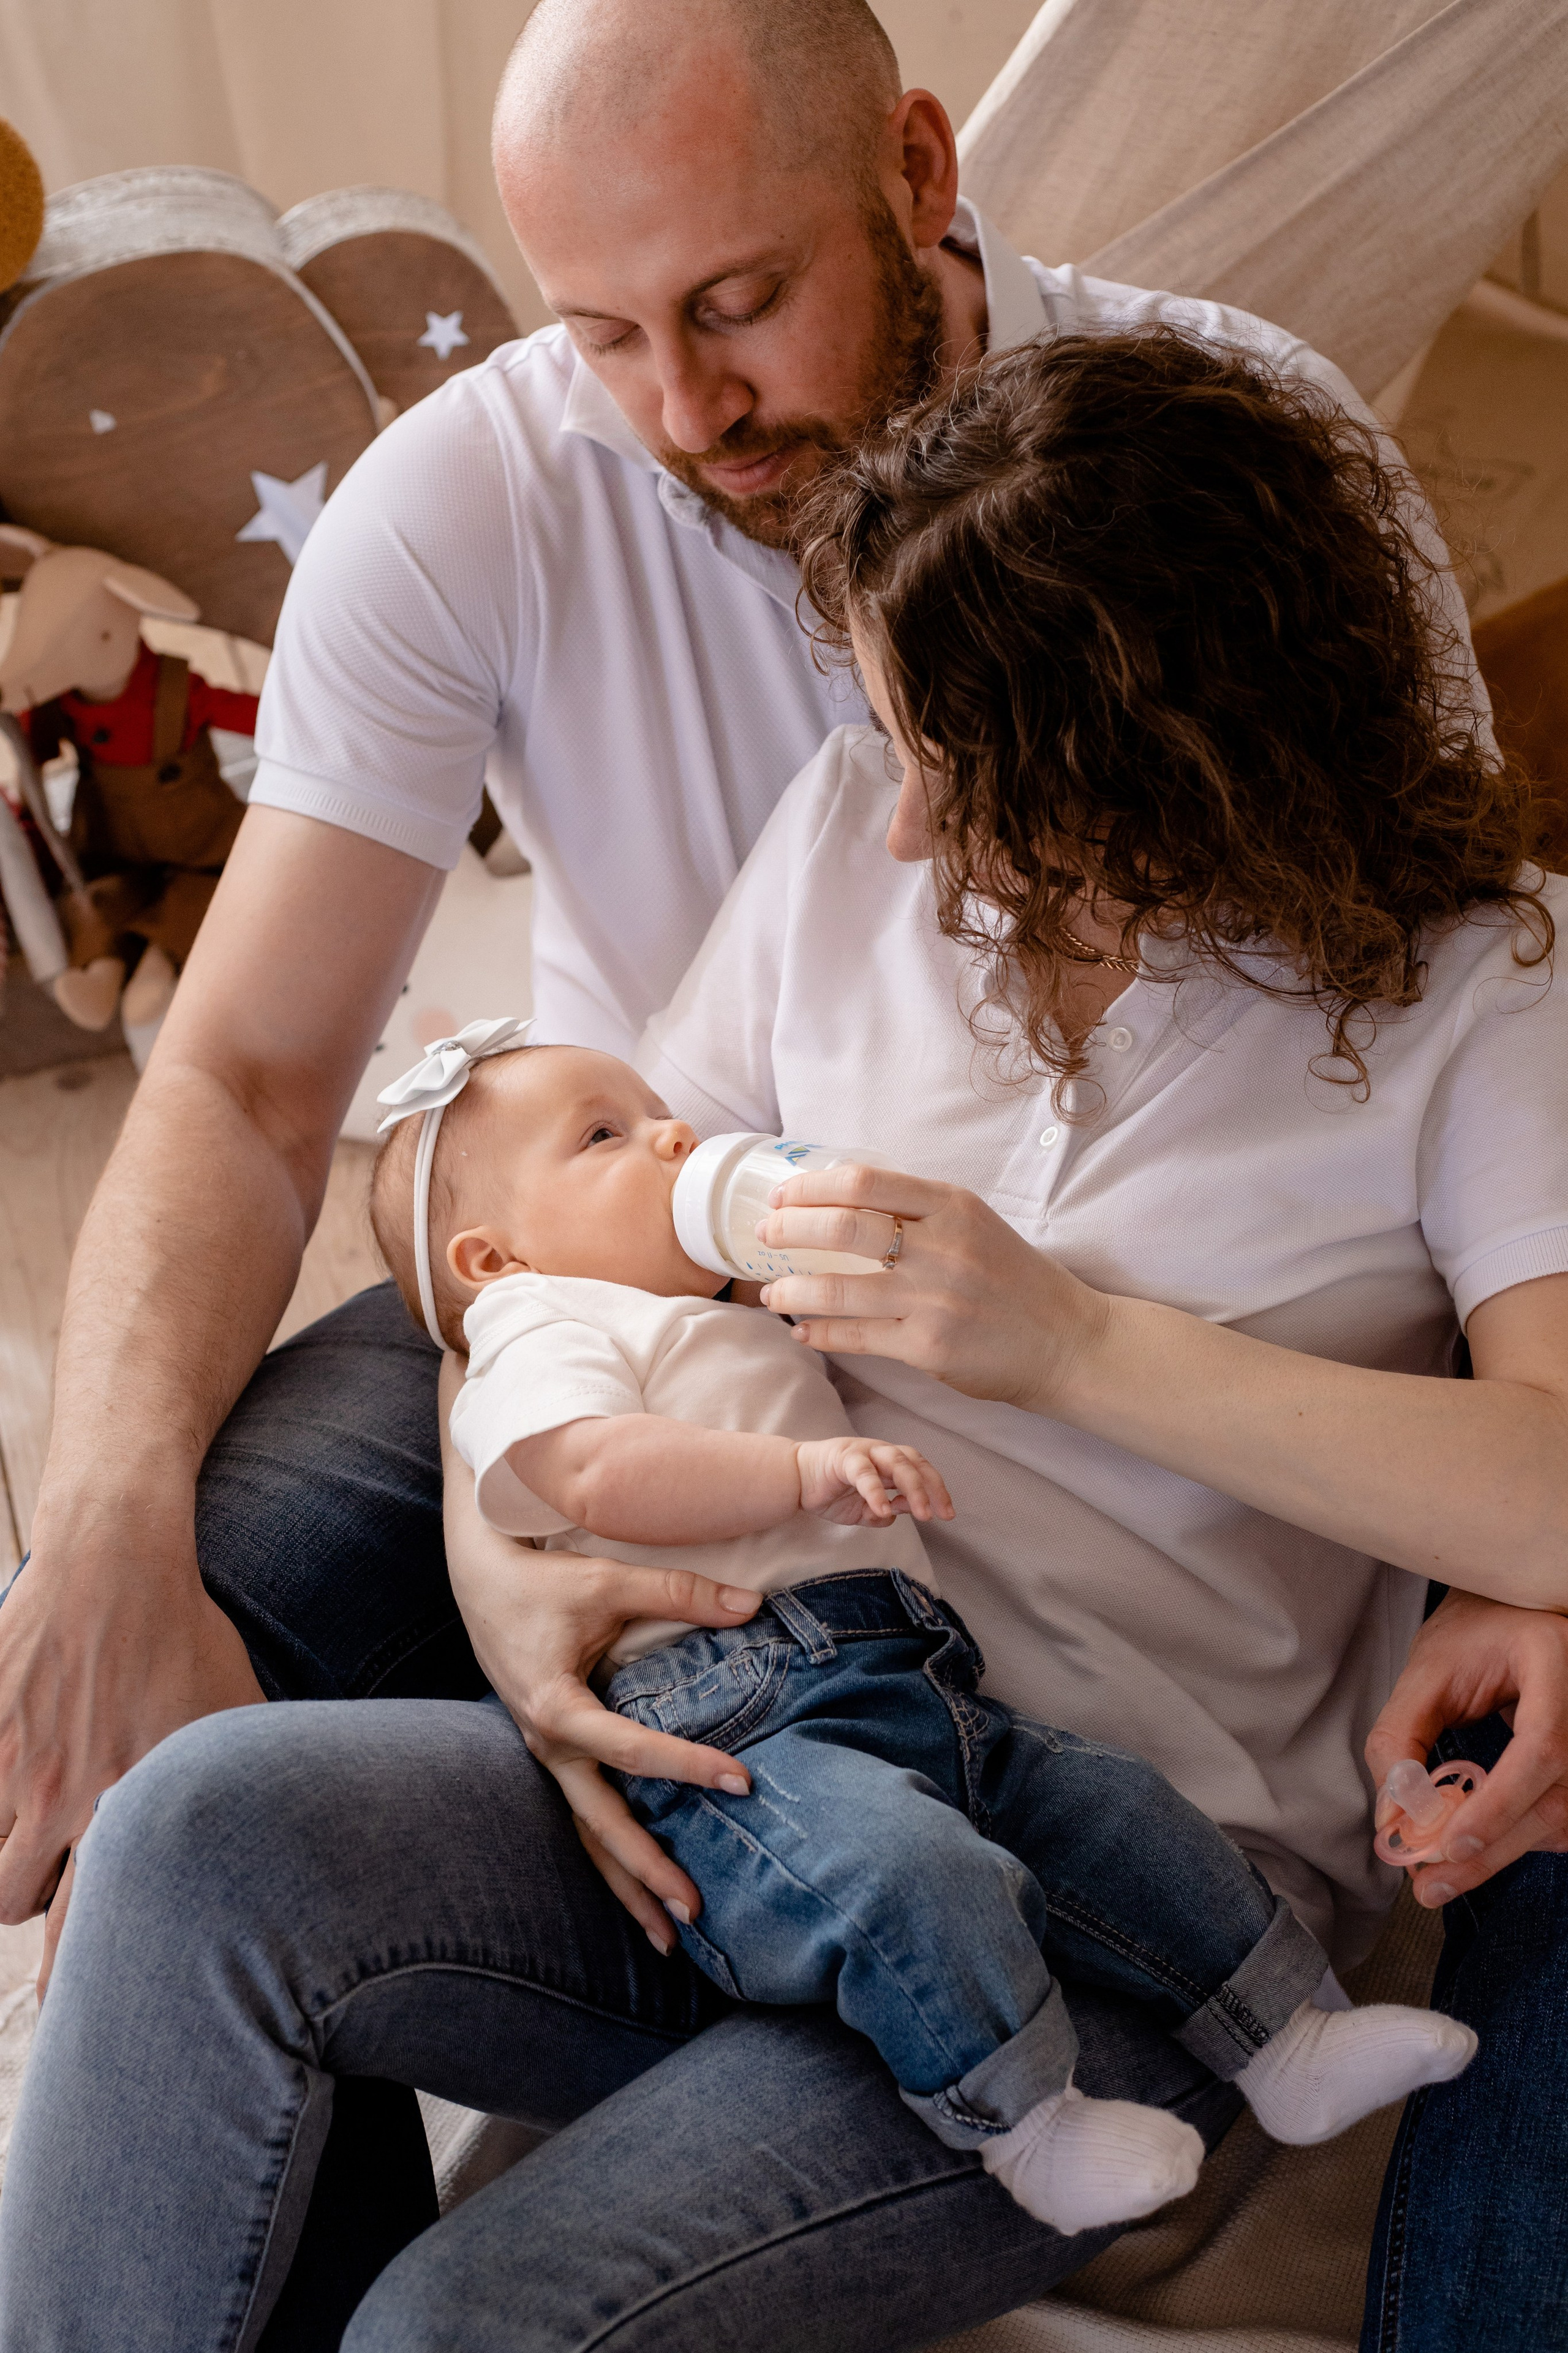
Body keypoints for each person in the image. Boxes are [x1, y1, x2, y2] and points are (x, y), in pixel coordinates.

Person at [4, 328, 1564, 2352]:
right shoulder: (858, 835)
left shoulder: (1482, 1003)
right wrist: (512, 1570)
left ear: (1154, 754)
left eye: (956, 764)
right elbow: (593, 1238)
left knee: (460, 2327)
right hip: (749, 1748)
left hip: (1104, 1905)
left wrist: (1076, 1344)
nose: (904, 826)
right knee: (194, 1836)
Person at [371, 1028, 1474, 2234]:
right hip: (741, 1726)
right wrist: (797, 1472)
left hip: (906, 1667)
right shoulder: (542, 1322)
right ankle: (1027, 2130)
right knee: (909, 1875)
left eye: (651, 1111)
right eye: (604, 1136)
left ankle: (1287, 2039)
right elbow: (592, 1472)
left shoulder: (702, 1307)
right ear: (496, 1257)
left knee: (1109, 1810)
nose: (672, 1136)